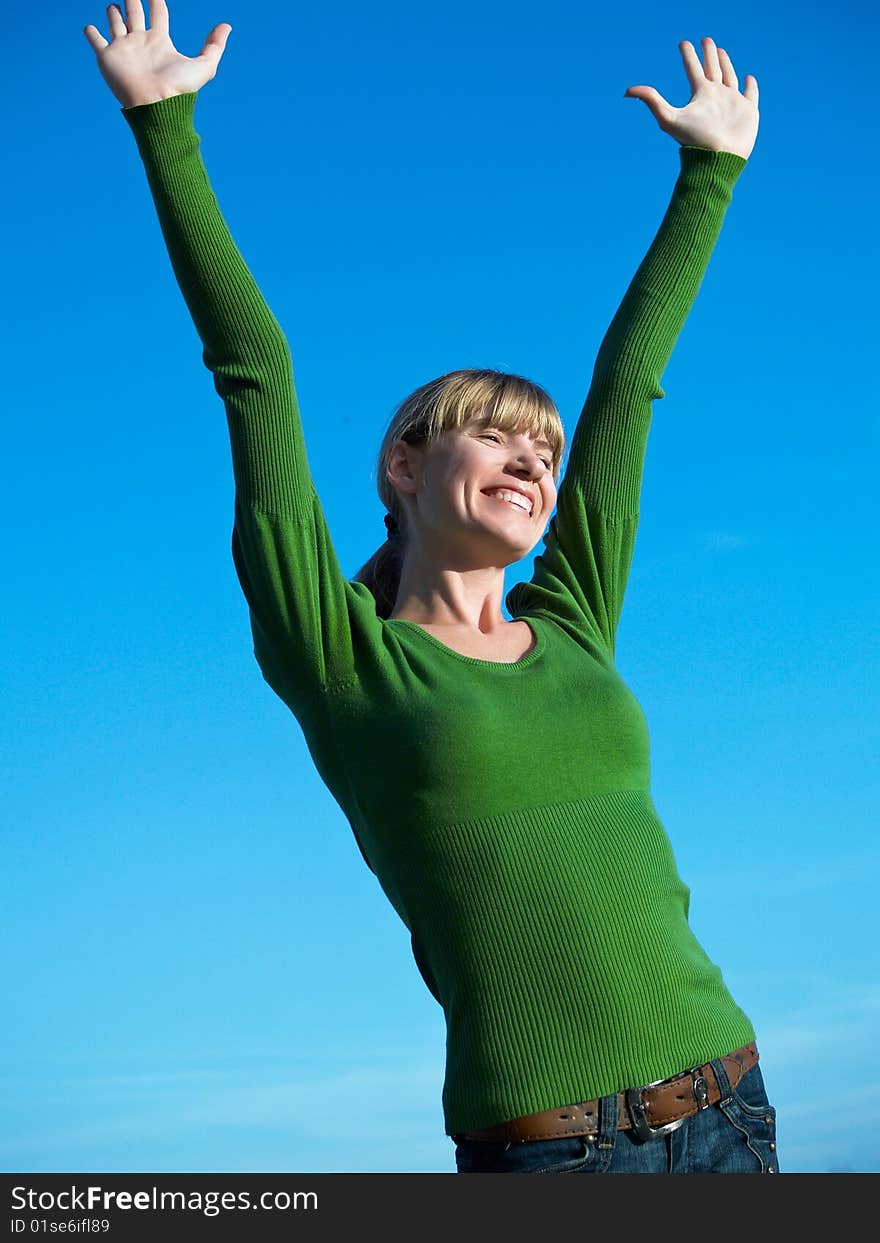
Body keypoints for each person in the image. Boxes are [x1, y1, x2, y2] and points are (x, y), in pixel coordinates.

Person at [84, 1, 778, 1174]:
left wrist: (708, 175)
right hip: (548, 1153)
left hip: (726, 1105)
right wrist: (166, 126)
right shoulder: (341, 657)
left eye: (545, 455)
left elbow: (630, 385)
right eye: (498, 438)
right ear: (403, 466)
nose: (533, 462)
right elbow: (255, 373)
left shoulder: (574, 622)